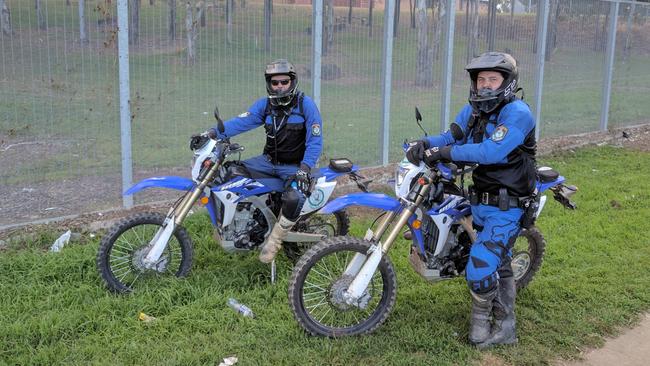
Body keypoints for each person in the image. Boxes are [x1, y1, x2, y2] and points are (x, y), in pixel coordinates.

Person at [406, 52, 536, 348]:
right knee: (498, 261)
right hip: (479, 201)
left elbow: (491, 151)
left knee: (479, 265)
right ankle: (501, 319)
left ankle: (500, 326)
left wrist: (445, 154)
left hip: (509, 206)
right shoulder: (473, 110)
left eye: (493, 79)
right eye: (481, 80)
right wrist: (425, 144)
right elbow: (450, 136)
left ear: (507, 82)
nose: (486, 86)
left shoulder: (518, 113)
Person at [205, 59, 323, 263]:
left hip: (294, 167)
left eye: (284, 82)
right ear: (269, 83)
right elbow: (243, 121)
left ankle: (275, 241)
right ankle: (240, 223)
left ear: (292, 82)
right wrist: (213, 133)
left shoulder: (306, 105)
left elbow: (315, 141)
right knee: (229, 172)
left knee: (294, 197)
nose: (279, 86)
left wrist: (304, 169)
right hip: (267, 162)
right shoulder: (265, 105)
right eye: (275, 82)